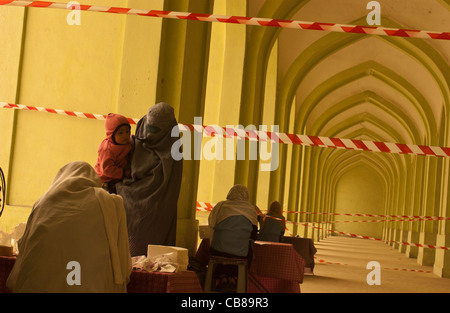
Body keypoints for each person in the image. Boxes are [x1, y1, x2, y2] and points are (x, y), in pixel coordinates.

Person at [7, 161, 132, 293]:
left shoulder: (42, 202)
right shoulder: (109, 202)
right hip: (89, 281)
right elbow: (121, 252)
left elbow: (24, 244)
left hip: (39, 283)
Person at [116, 102, 183, 257]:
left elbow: (160, 187)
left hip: (156, 211)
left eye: (155, 130)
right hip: (127, 210)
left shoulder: (172, 152)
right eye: (149, 128)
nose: (149, 134)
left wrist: (121, 188)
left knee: (145, 257)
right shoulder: (137, 138)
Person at [208, 185, 258, 290]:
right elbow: (253, 235)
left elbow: (211, 224)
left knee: (224, 250)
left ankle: (222, 277)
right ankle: (234, 278)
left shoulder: (220, 206)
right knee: (244, 252)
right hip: (241, 254)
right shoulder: (251, 209)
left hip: (217, 250)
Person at [94, 113, 132, 194]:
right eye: (120, 133)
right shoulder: (107, 149)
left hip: (118, 176)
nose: (125, 135)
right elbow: (106, 169)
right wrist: (124, 173)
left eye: (127, 131)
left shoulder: (127, 142)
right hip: (105, 180)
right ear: (111, 135)